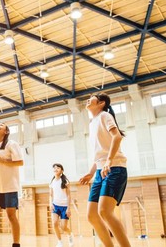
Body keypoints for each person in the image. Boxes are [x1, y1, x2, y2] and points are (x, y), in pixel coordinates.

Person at [79, 93, 130, 247]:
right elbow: (99, 154)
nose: (88, 99)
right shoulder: (91, 123)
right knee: (92, 215)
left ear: (100, 103)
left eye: (92, 98)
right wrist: (90, 172)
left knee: (105, 212)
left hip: (115, 168)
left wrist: (109, 160)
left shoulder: (105, 115)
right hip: (100, 171)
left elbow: (117, 137)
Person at [0, 123, 24, 247]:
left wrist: (3, 160)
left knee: (11, 215)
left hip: (10, 185)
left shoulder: (11, 144)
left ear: (6, 131)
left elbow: (20, 162)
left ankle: (16, 244)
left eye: (1, 126)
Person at [50, 164, 74, 247]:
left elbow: (68, 195)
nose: (55, 169)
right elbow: (50, 195)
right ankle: (59, 242)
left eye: (58, 167)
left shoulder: (65, 181)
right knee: (54, 223)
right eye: (54, 168)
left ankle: (70, 234)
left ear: (62, 170)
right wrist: (51, 203)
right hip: (55, 205)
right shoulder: (52, 182)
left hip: (64, 207)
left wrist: (68, 208)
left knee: (63, 227)